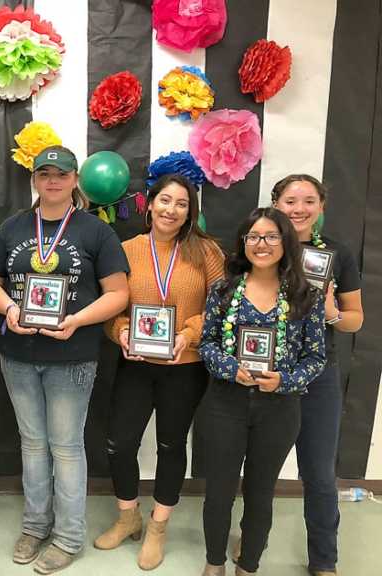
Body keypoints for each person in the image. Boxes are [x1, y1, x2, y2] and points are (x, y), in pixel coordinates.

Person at [0, 146, 130, 574]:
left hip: (73, 356)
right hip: (18, 356)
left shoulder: (95, 231)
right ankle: (35, 526)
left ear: (75, 178)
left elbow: (119, 294)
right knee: (32, 444)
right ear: (34, 179)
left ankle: (67, 537)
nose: (53, 180)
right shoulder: (12, 228)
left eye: (61, 174)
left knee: (65, 448)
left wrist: (77, 319)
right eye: (44, 173)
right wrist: (10, 309)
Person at [96, 174, 225, 570]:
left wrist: (188, 335)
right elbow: (110, 308)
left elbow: (220, 310)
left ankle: (157, 527)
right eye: (164, 200)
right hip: (135, 365)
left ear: (190, 211)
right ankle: (128, 515)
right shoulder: (124, 250)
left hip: (184, 369)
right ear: (149, 205)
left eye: (181, 203)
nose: (171, 209)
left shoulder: (206, 252)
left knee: (171, 446)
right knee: (119, 444)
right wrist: (121, 333)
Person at [199, 207, 326, 576]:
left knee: (260, 491)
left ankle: (248, 565)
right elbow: (206, 344)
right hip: (225, 403)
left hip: (279, 407)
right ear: (243, 243)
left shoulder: (307, 296)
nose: (262, 244)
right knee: (219, 491)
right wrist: (229, 369)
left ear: (286, 242)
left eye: (271, 236)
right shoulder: (222, 290)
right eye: (253, 237)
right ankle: (213, 563)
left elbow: (316, 357)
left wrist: (283, 381)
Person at [271, 175, 363, 576]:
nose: (299, 208)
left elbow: (355, 320)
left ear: (321, 207)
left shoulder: (338, 255)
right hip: (269, 372)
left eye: (309, 200)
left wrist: (333, 315)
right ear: (276, 204)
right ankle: (250, 542)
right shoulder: (261, 246)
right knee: (259, 469)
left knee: (319, 474)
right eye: (291, 200)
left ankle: (324, 560)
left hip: (319, 374)